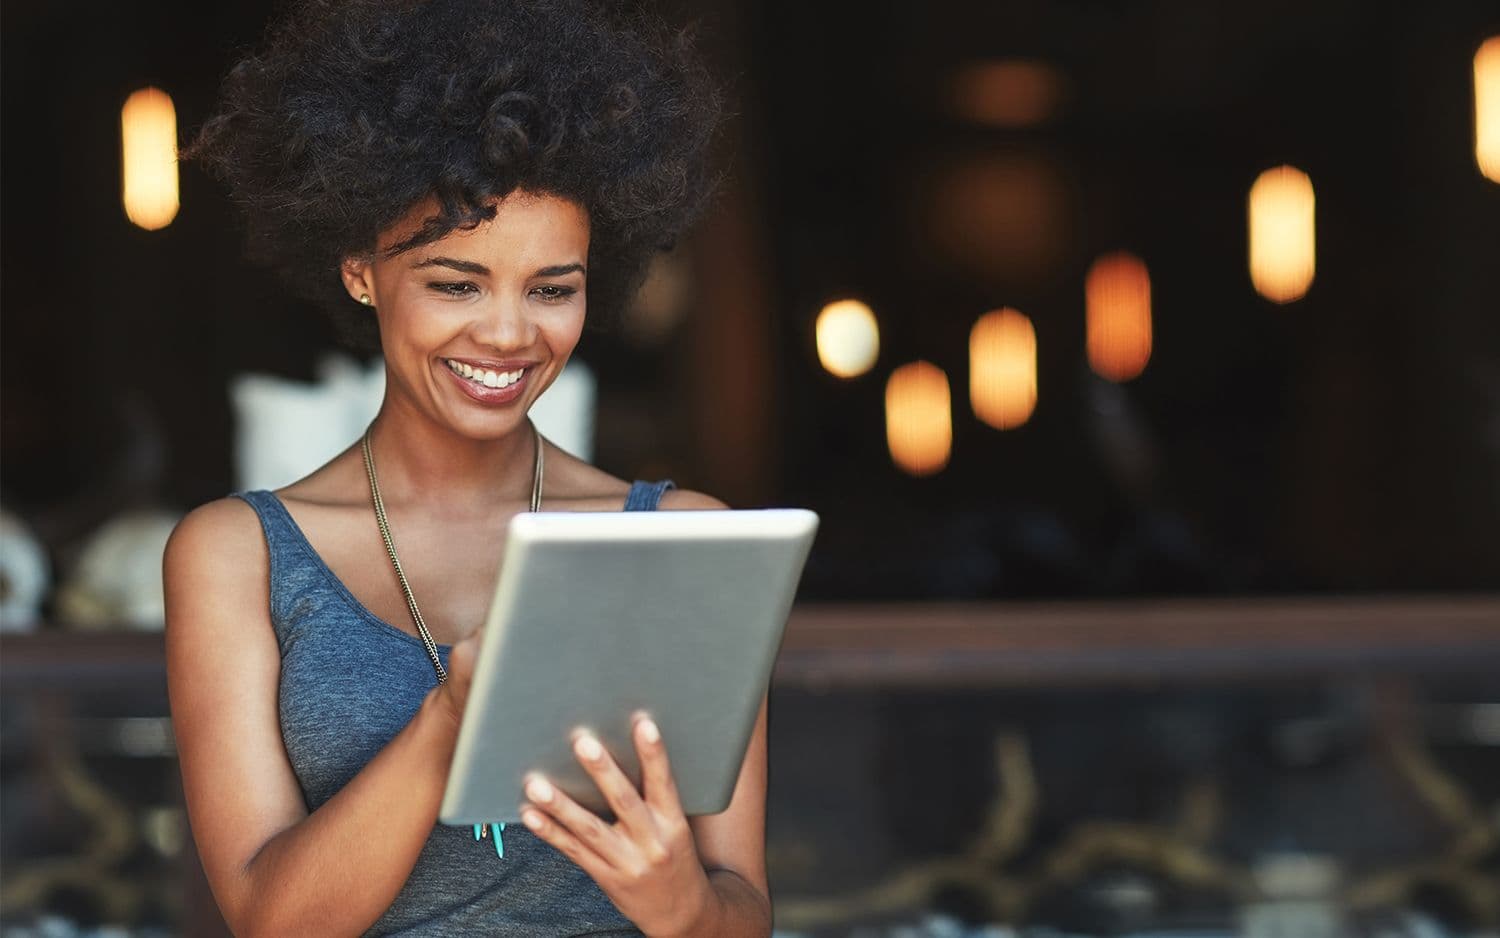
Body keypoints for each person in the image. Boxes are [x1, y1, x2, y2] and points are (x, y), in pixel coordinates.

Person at [162, 0, 771, 934]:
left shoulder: (684, 539)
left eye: (552, 289)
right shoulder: (238, 553)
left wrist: (686, 907)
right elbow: (270, 920)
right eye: (456, 283)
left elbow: (743, 910)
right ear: (361, 267)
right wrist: (450, 721)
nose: (507, 334)